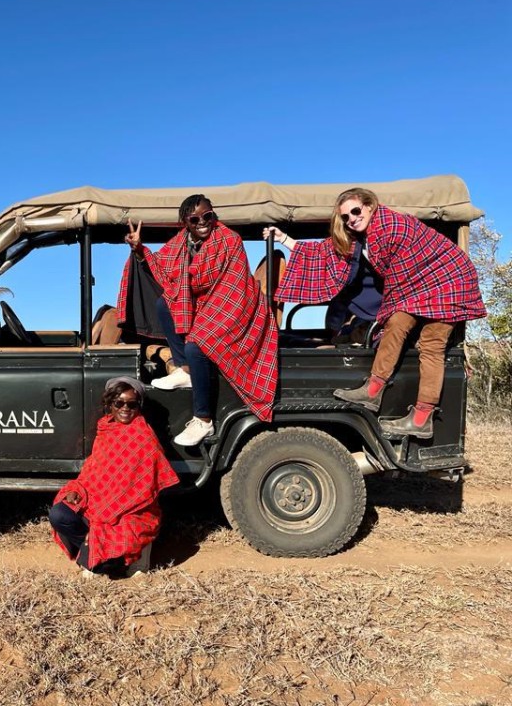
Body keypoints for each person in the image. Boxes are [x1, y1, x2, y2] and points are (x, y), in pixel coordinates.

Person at [265, 187, 486, 437]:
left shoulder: (391, 227)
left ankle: (422, 418)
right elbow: (323, 253)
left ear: (369, 205)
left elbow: (399, 277)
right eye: (346, 216)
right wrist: (284, 239)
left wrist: (383, 314)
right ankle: (373, 391)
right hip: (419, 286)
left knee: (430, 345)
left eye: (356, 211)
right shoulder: (363, 236)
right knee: (395, 325)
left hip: (450, 281)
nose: (352, 219)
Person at [119, 194, 279, 445]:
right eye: (195, 219)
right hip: (206, 305)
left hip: (235, 304)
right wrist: (139, 249)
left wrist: (184, 280)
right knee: (165, 304)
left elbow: (206, 277)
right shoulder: (182, 240)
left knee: (197, 344)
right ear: (186, 222)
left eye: (208, 216)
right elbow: (164, 265)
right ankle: (185, 370)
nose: (203, 222)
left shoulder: (228, 239)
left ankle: (203, 419)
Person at [49, 376, 179, 577]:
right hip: (97, 504)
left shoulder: (143, 436)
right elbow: (92, 472)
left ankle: (101, 554)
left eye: (132, 404)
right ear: (110, 404)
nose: (125, 408)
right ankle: (93, 546)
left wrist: (106, 517)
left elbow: (144, 490)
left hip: (130, 511)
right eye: (119, 403)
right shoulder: (106, 429)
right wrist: (76, 490)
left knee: (102, 566)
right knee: (59, 514)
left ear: (139, 406)